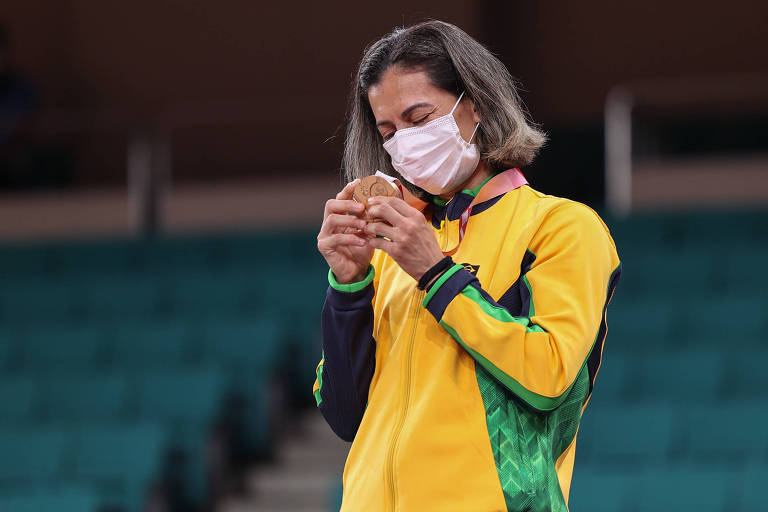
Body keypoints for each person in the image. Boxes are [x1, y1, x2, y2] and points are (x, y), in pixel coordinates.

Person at [313, 20, 621, 512]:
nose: (403, 144)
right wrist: (349, 286)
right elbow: (347, 416)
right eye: (388, 131)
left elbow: (548, 379)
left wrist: (436, 274)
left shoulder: (561, 227)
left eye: (419, 118)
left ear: (475, 105)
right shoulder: (395, 250)